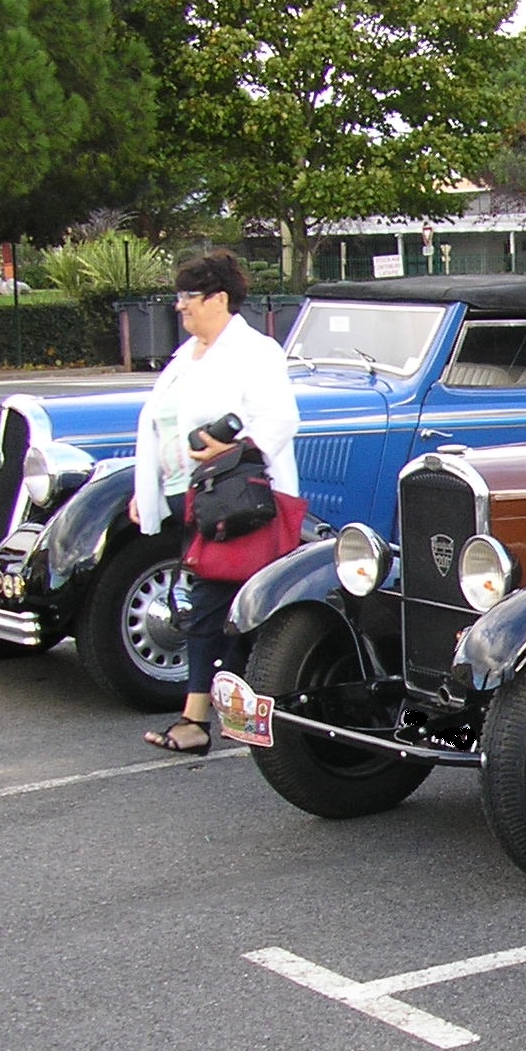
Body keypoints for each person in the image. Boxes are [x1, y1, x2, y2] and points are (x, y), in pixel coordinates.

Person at [128, 251, 301, 754]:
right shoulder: (187, 356)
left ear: (219, 299)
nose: (179, 306)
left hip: (239, 498)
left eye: (189, 296)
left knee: (217, 604)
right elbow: (160, 426)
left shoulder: (255, 351)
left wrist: (234, 448)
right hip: (197, 498)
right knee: (212, 605)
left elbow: (280, 419)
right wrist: (146, 488)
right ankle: (229, 714)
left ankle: (200, 719)